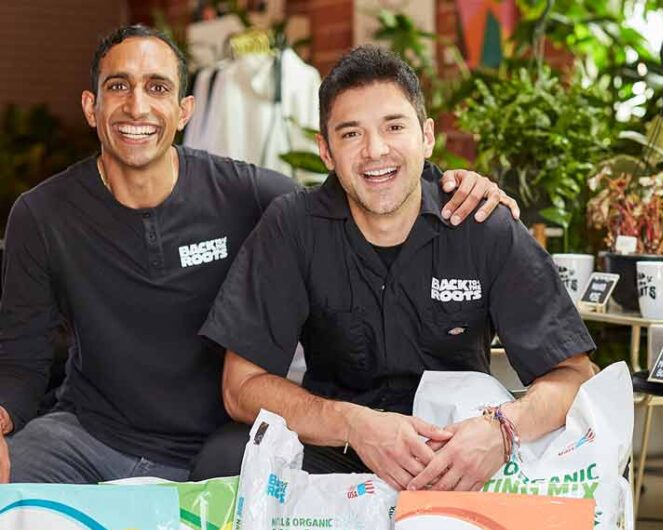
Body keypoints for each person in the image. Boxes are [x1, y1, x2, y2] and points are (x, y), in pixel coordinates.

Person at [0, 25, 517, 484]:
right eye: (119, 87)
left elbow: (361, 189)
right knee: (17, 469)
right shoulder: (42, 214)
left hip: (219, 443)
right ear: (92, 107)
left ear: (184, 110)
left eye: (157, 88)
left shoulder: (245, 194)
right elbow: (22, 361)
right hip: (90, 438)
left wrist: (448, 184)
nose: (137, 106)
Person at [198, 45, 596, 491]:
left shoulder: (480, 223)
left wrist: (502, 429)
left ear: (426, 137)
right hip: (337, 451)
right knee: (224, 459)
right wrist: (355, 425)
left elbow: (575, 377)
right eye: (351, 134)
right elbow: (240, 386)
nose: (376, 150)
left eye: (394, 126)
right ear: (326, 151)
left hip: (460, 454)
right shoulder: (293, 227)